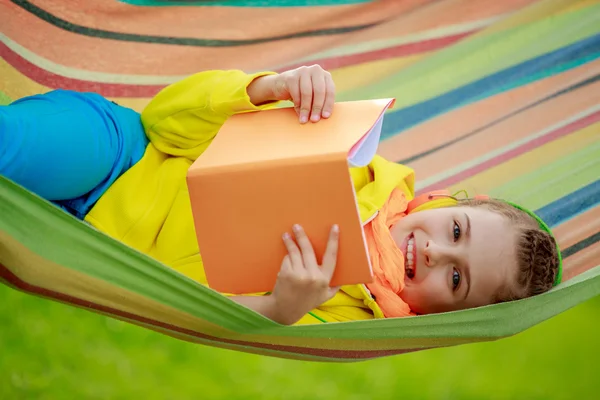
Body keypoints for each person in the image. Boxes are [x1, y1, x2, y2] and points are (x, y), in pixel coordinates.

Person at [0, 65, 561, 326]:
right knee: (13, 148)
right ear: (442, 202)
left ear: (446, 315)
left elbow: (185, 314)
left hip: (102, 259)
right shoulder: (353, 153)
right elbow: (164, 121)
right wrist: (264, 91)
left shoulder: (342, 317)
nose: (438, 252)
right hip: (122, 155)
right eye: (456, 230)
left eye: (457, 279)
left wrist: (277, 310)